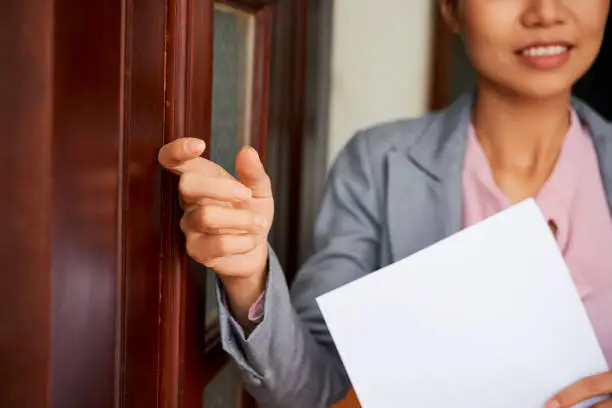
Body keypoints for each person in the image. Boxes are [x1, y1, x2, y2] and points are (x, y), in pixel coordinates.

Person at [158, 0, 612, 406]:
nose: (546, 12)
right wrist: (249, 275)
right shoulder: (379, 165)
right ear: (450, 9)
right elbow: (314, 391)